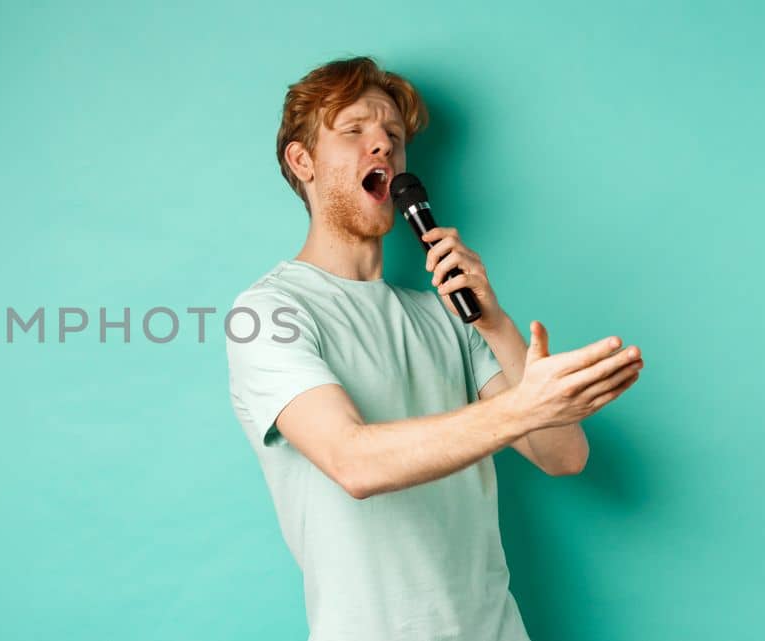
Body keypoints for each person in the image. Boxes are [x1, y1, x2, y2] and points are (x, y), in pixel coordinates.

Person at [224, 56, 645, 640]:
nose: (383, 149)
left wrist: (494, 322)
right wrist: (526, 405)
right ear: (303, 162)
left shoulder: (444, 316)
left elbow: (562, 455)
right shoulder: (268, 313)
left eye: (393, 137)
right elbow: (353, 460)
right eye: (355, 132)